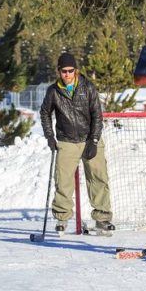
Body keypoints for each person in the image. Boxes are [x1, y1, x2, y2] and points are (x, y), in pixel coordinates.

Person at [40, 52, 114, 234]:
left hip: (90, 138)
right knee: (63, 181)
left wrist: (94, 139)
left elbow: (97, 114)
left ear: (76, 71)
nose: (67, 74)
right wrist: (50, 136)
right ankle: (62, 218)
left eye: (70, 71)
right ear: (59, 72)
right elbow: (44, 113)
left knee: (98, 178)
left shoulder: (88, 87)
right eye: (63, 71)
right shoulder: (53, 91)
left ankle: (102, 218)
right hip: (66, 141)